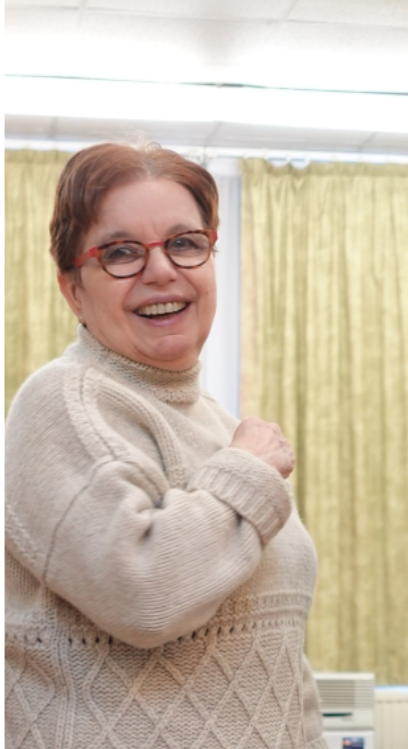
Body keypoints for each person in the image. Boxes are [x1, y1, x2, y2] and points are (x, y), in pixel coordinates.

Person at [5, 142, 325, 748]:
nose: (161, 270)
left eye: (185, 242)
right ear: (73, 288)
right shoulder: (62, 403)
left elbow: (282, 665)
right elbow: (144, 596)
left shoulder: (213, 421)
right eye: (122, 252)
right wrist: (248, 472)